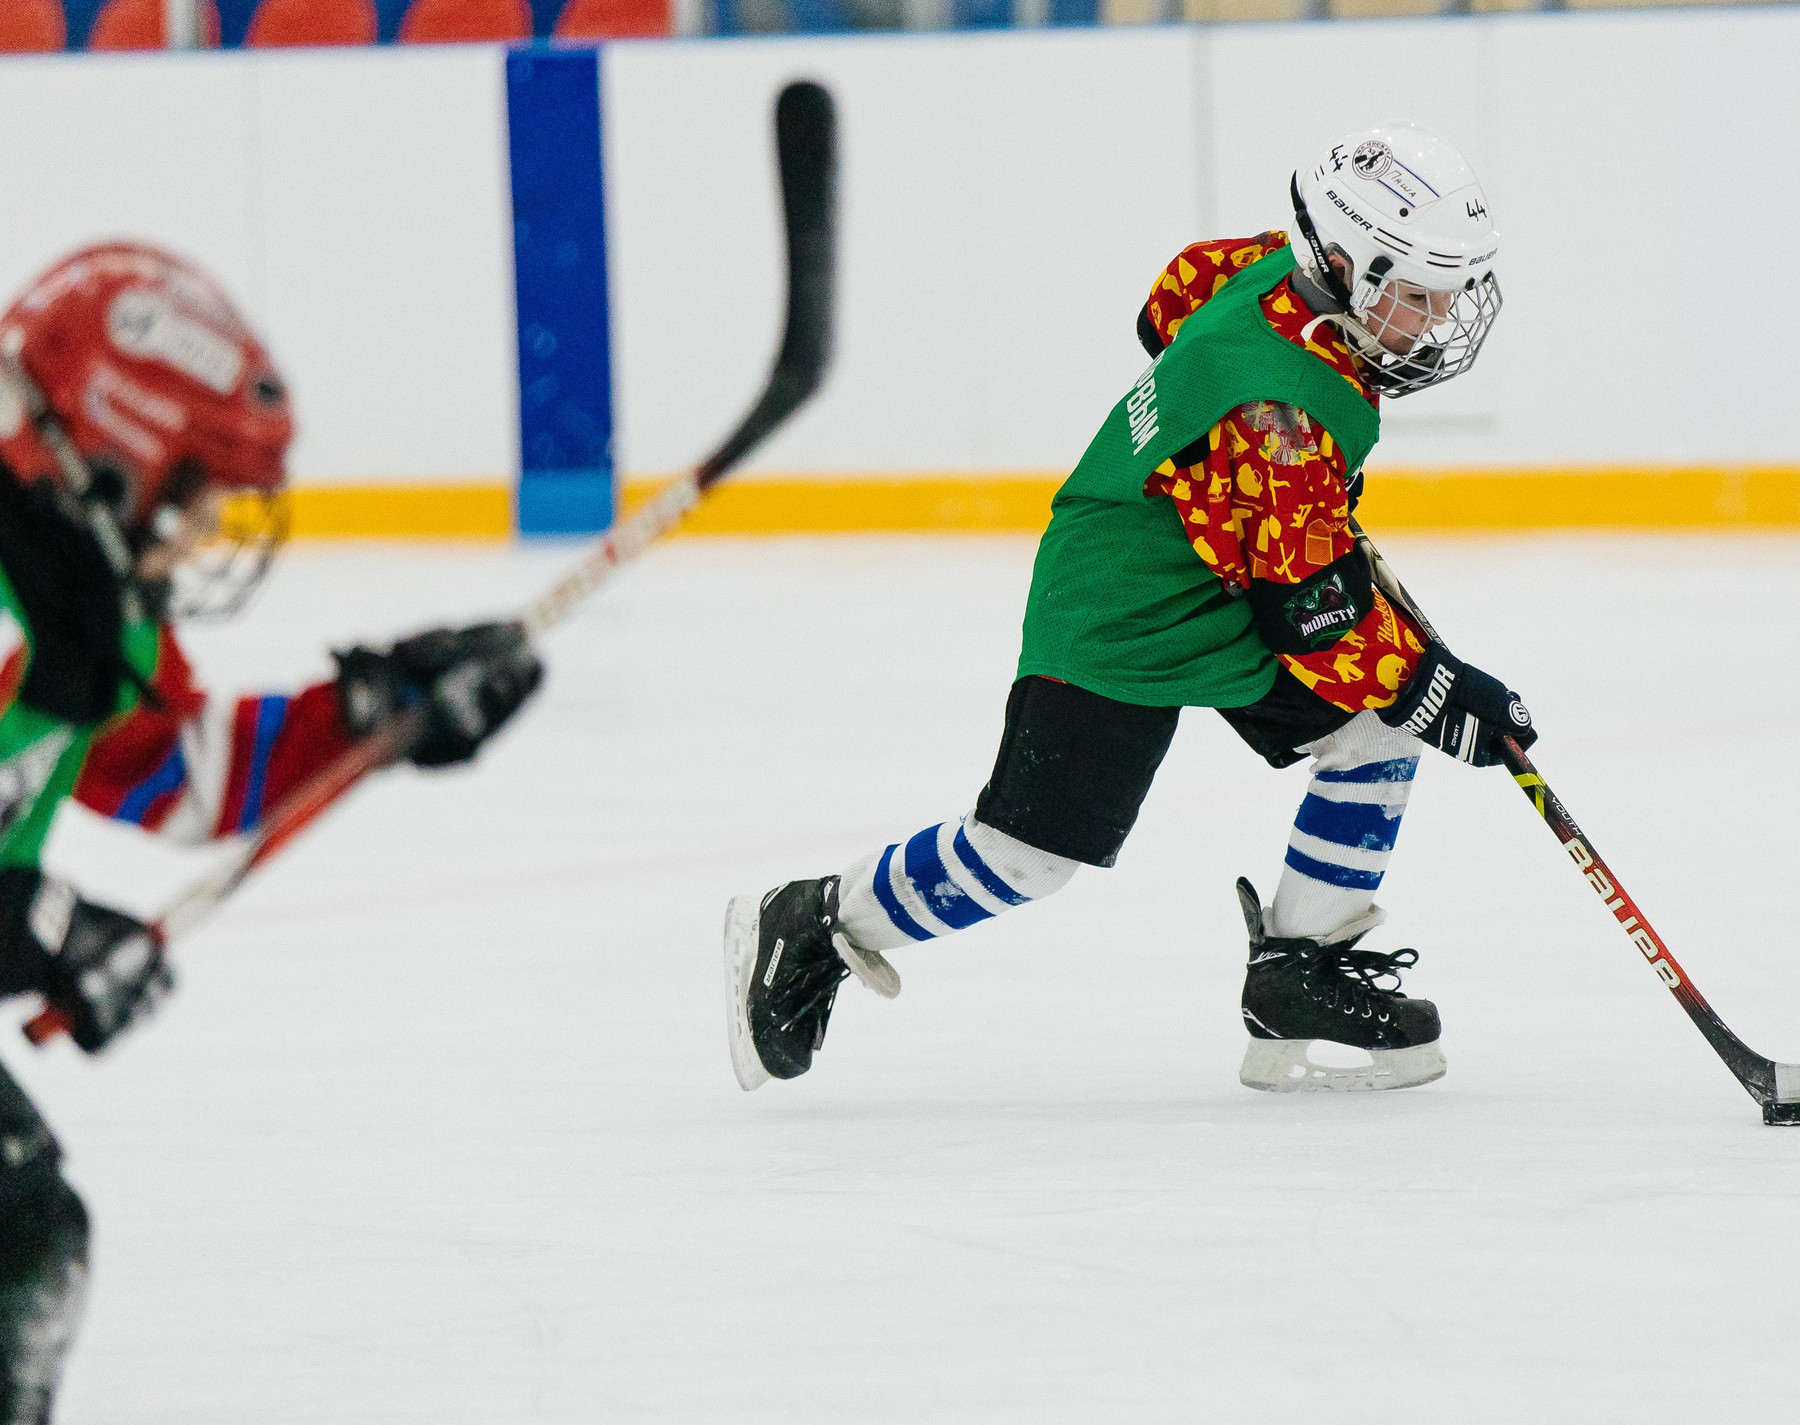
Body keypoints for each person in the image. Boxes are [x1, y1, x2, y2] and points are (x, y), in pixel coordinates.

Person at [729, 122, 1534, 1098]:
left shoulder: (1273, 274)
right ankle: (818, 921)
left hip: (1221, 566)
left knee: (1372, 738)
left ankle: (1298, 976)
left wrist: (1239, 488)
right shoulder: (1278, 423)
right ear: (1346, 263)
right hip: (1122, 593)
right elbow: (1315, 620)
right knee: (1030, 856)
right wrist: (1441, 691)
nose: (1438, 316)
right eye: (1417, 292)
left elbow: (1174, 293)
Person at [0, 243, 542, 1420]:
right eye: (188, 494)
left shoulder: (76, 603)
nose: (197, 534)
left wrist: (372, 715)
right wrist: (38, 926)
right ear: (112, 451)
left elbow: (174, 778)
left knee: (18, 1236)